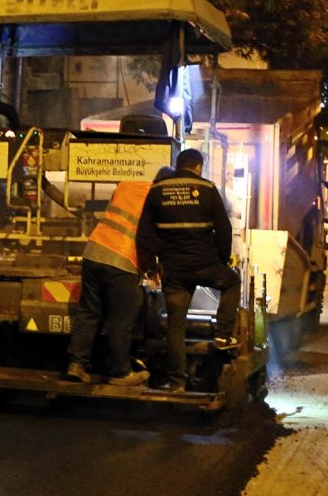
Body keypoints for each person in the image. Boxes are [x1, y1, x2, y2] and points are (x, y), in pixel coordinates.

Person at [137, 149, 240, 393]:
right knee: (232, 282)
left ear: (178, 165)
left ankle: (177, 382)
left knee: (175, 326)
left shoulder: (156, 191)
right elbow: (224, 229)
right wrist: (222, 260)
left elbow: (144, 234)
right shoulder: (207, 188)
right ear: (198, 167)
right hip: (205, 264)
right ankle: (224, 335)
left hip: (174, 269)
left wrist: (152, 265)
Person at [63, 173, 163, 387]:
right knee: (121, 318)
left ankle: (77, 364)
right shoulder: (157, 195)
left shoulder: (127, 184)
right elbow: (148, 236)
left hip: (93, 251)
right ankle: (120, 372)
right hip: (122, 260)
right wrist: (152, 268)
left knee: (89, 312)